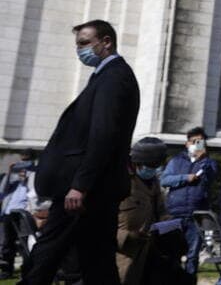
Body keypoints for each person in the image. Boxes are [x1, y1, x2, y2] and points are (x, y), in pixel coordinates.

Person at [20, 19, 140, 285]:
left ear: (106, 42)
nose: (80, 50)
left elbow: (103, 134)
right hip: (93, 188)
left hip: (84, 191)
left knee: (48, 254)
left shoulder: (114, 77)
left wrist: (80, 185)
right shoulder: (105, 76)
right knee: (96, 260)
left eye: (85, 43)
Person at [161, 126, 219, 280]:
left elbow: (209, 179)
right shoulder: (176, 161)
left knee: (192, 254)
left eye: (200, 142)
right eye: (194, 141)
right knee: (172, 253)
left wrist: (204, 159)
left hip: (196, 214)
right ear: (187, 143)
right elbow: (165, 180)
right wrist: (185, 177)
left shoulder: (209, 163)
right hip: (175, 212)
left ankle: (189, 280)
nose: (197, 144)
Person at [117, 137, 167, 284]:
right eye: (151, 165)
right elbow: (99, 222)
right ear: (137, 163)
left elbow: (161, 209)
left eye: (158, 165)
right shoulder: (120, 181)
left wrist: (167, 224)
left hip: (146, 253)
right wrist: (127, 236)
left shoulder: (154, 183)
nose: (154, 169)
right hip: (120, 255)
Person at [1, 151, 37, 279]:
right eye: (21, 161)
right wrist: (10, 172)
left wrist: (29, 176)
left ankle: (26, 271)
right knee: (7, 244)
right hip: (9, 212)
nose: (22, 165)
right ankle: (6, 271)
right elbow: (2, 191)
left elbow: (34, 194)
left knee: (24, 244)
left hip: (23, 214)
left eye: (25, 161)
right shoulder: (13, 179)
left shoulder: (34, 176)